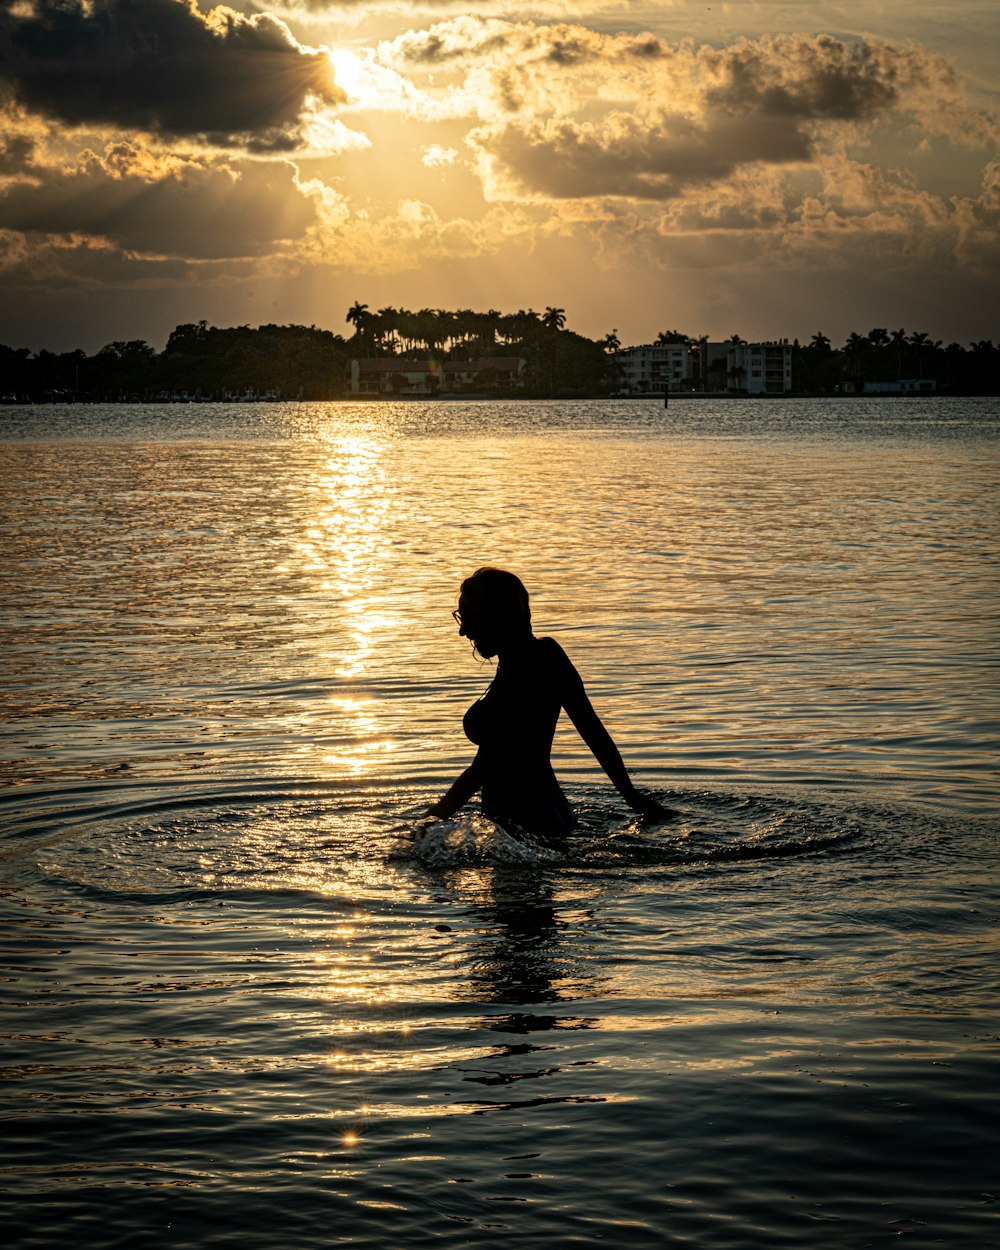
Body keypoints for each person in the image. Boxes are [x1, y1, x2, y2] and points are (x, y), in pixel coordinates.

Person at [426, 567, 674, 843]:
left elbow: (485, 766)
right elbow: (594, 732)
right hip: (548, 814)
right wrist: (633, 798)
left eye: (470, 618)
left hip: (524, 821)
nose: (462, 631)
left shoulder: (523, 672)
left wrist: (426, 824)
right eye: (461, 617)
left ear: (497, 616)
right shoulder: (543, 655)